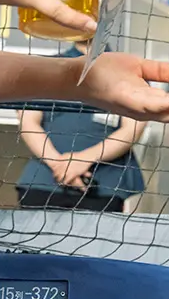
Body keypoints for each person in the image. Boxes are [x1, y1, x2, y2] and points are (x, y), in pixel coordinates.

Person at [16, 45, 148, 213]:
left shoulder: (127, 70)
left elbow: (133, 128)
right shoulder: (45, 67)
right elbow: (28, 122)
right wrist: (60, 165)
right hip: (43, 183)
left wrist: (83, 159)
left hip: (104, 186)